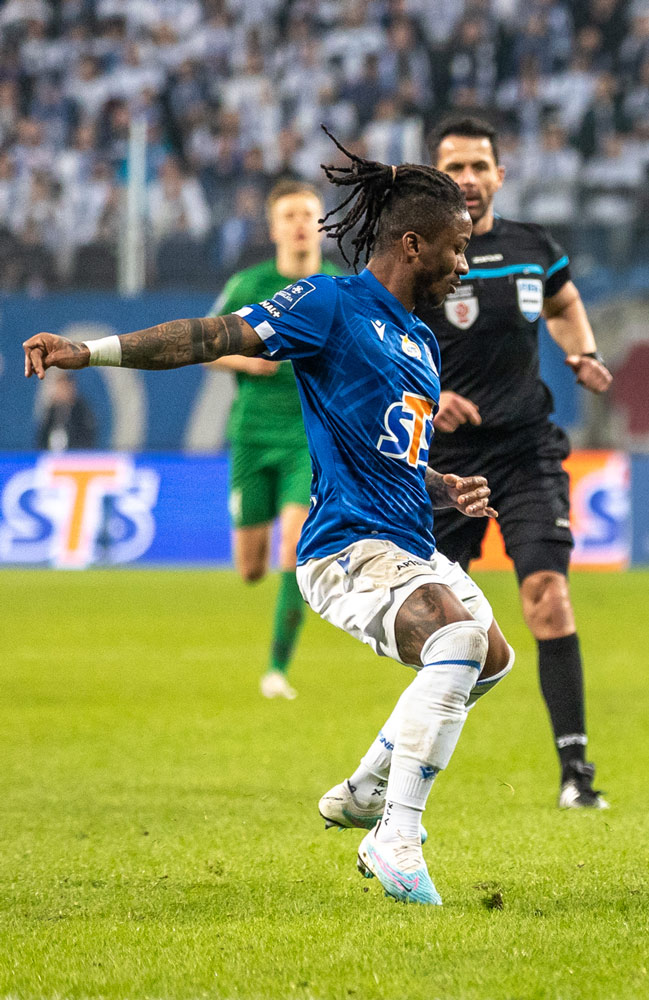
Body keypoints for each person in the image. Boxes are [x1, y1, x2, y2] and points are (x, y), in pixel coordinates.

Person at [24, 133, 513, 907]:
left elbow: (389, 452)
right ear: (413, 244)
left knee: (489, 657)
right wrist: (89, 354)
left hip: (405, 540)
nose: (464, 262)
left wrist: (441, 485)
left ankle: (362, 789)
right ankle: (396, 835)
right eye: (455, 248)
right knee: (453, 641)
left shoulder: (420, 340)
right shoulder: (330, 304)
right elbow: (208, 337)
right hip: (345, 549)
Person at [417, 116, 614, 810]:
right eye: (455, 168)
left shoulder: (533, 247)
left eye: (479, 166)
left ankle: (576, 774)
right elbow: (375, 343)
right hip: (444, 463)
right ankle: (412, 778)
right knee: (442, 625)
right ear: (437, 178)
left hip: (525, 448)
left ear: (500, 175)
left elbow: (562, 300)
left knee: (548, 599)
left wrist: (581, 351)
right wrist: (427, 392)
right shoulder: (413, 253)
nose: (468, 178)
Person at [206, 179, 343, 700]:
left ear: (322, 224)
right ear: (274, 227)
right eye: (290, 215)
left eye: (309, 213)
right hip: (250, 435)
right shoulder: (249, 285)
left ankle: (276, 669)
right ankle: (275, 663)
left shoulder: (338, 288)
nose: (301, 223)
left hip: (307, 439)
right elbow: (205, 344)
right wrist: (246, 359)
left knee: (296, 545)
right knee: (250, 567)